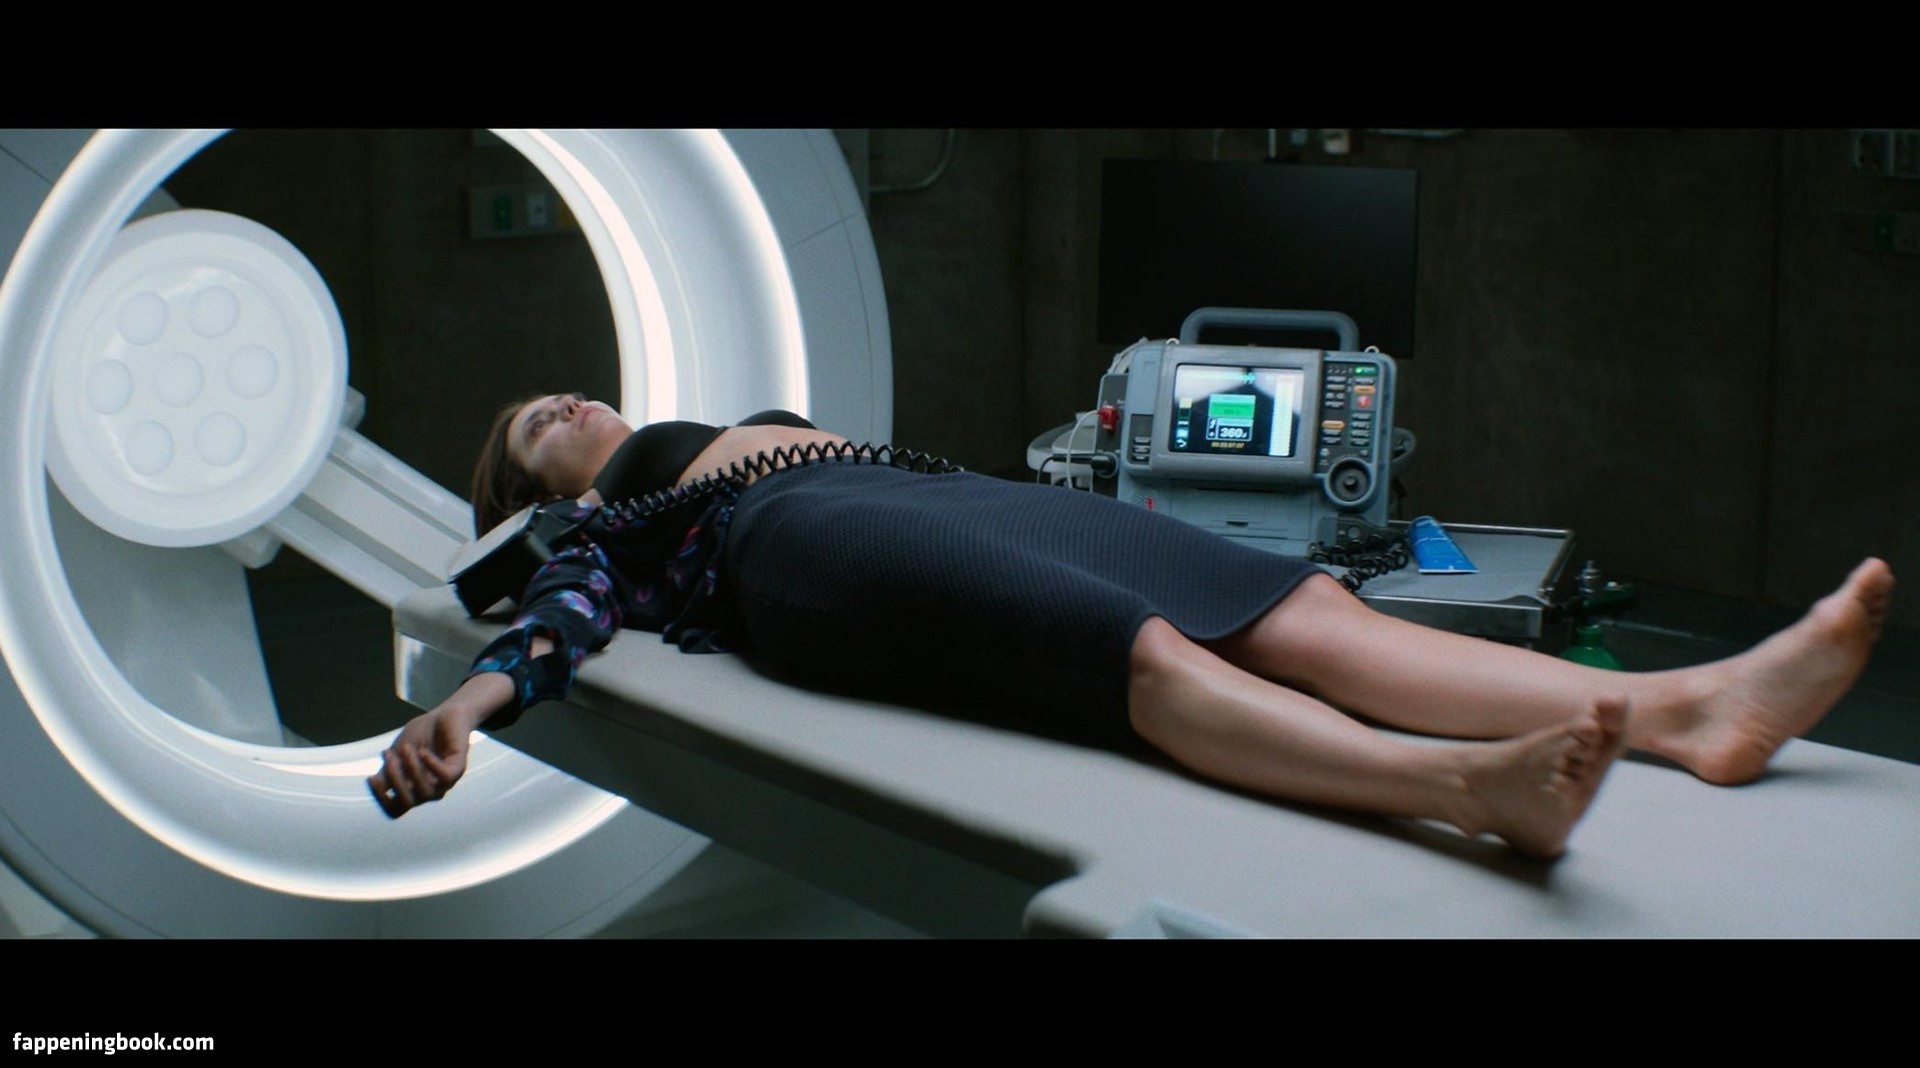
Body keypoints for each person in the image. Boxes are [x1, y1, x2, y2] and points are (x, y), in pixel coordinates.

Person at [370, 394, 1896, 859]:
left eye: (563, 394)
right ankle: (1462, 791)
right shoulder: (610, 523)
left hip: (940, 492)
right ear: (531, 490)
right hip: (809, 543)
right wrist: (467, 710)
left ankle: (1694, 710)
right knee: (1135, 652)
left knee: (1294, 607)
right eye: (533, 426)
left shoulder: (731, 414)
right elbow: (559, 625)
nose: (565, 404)